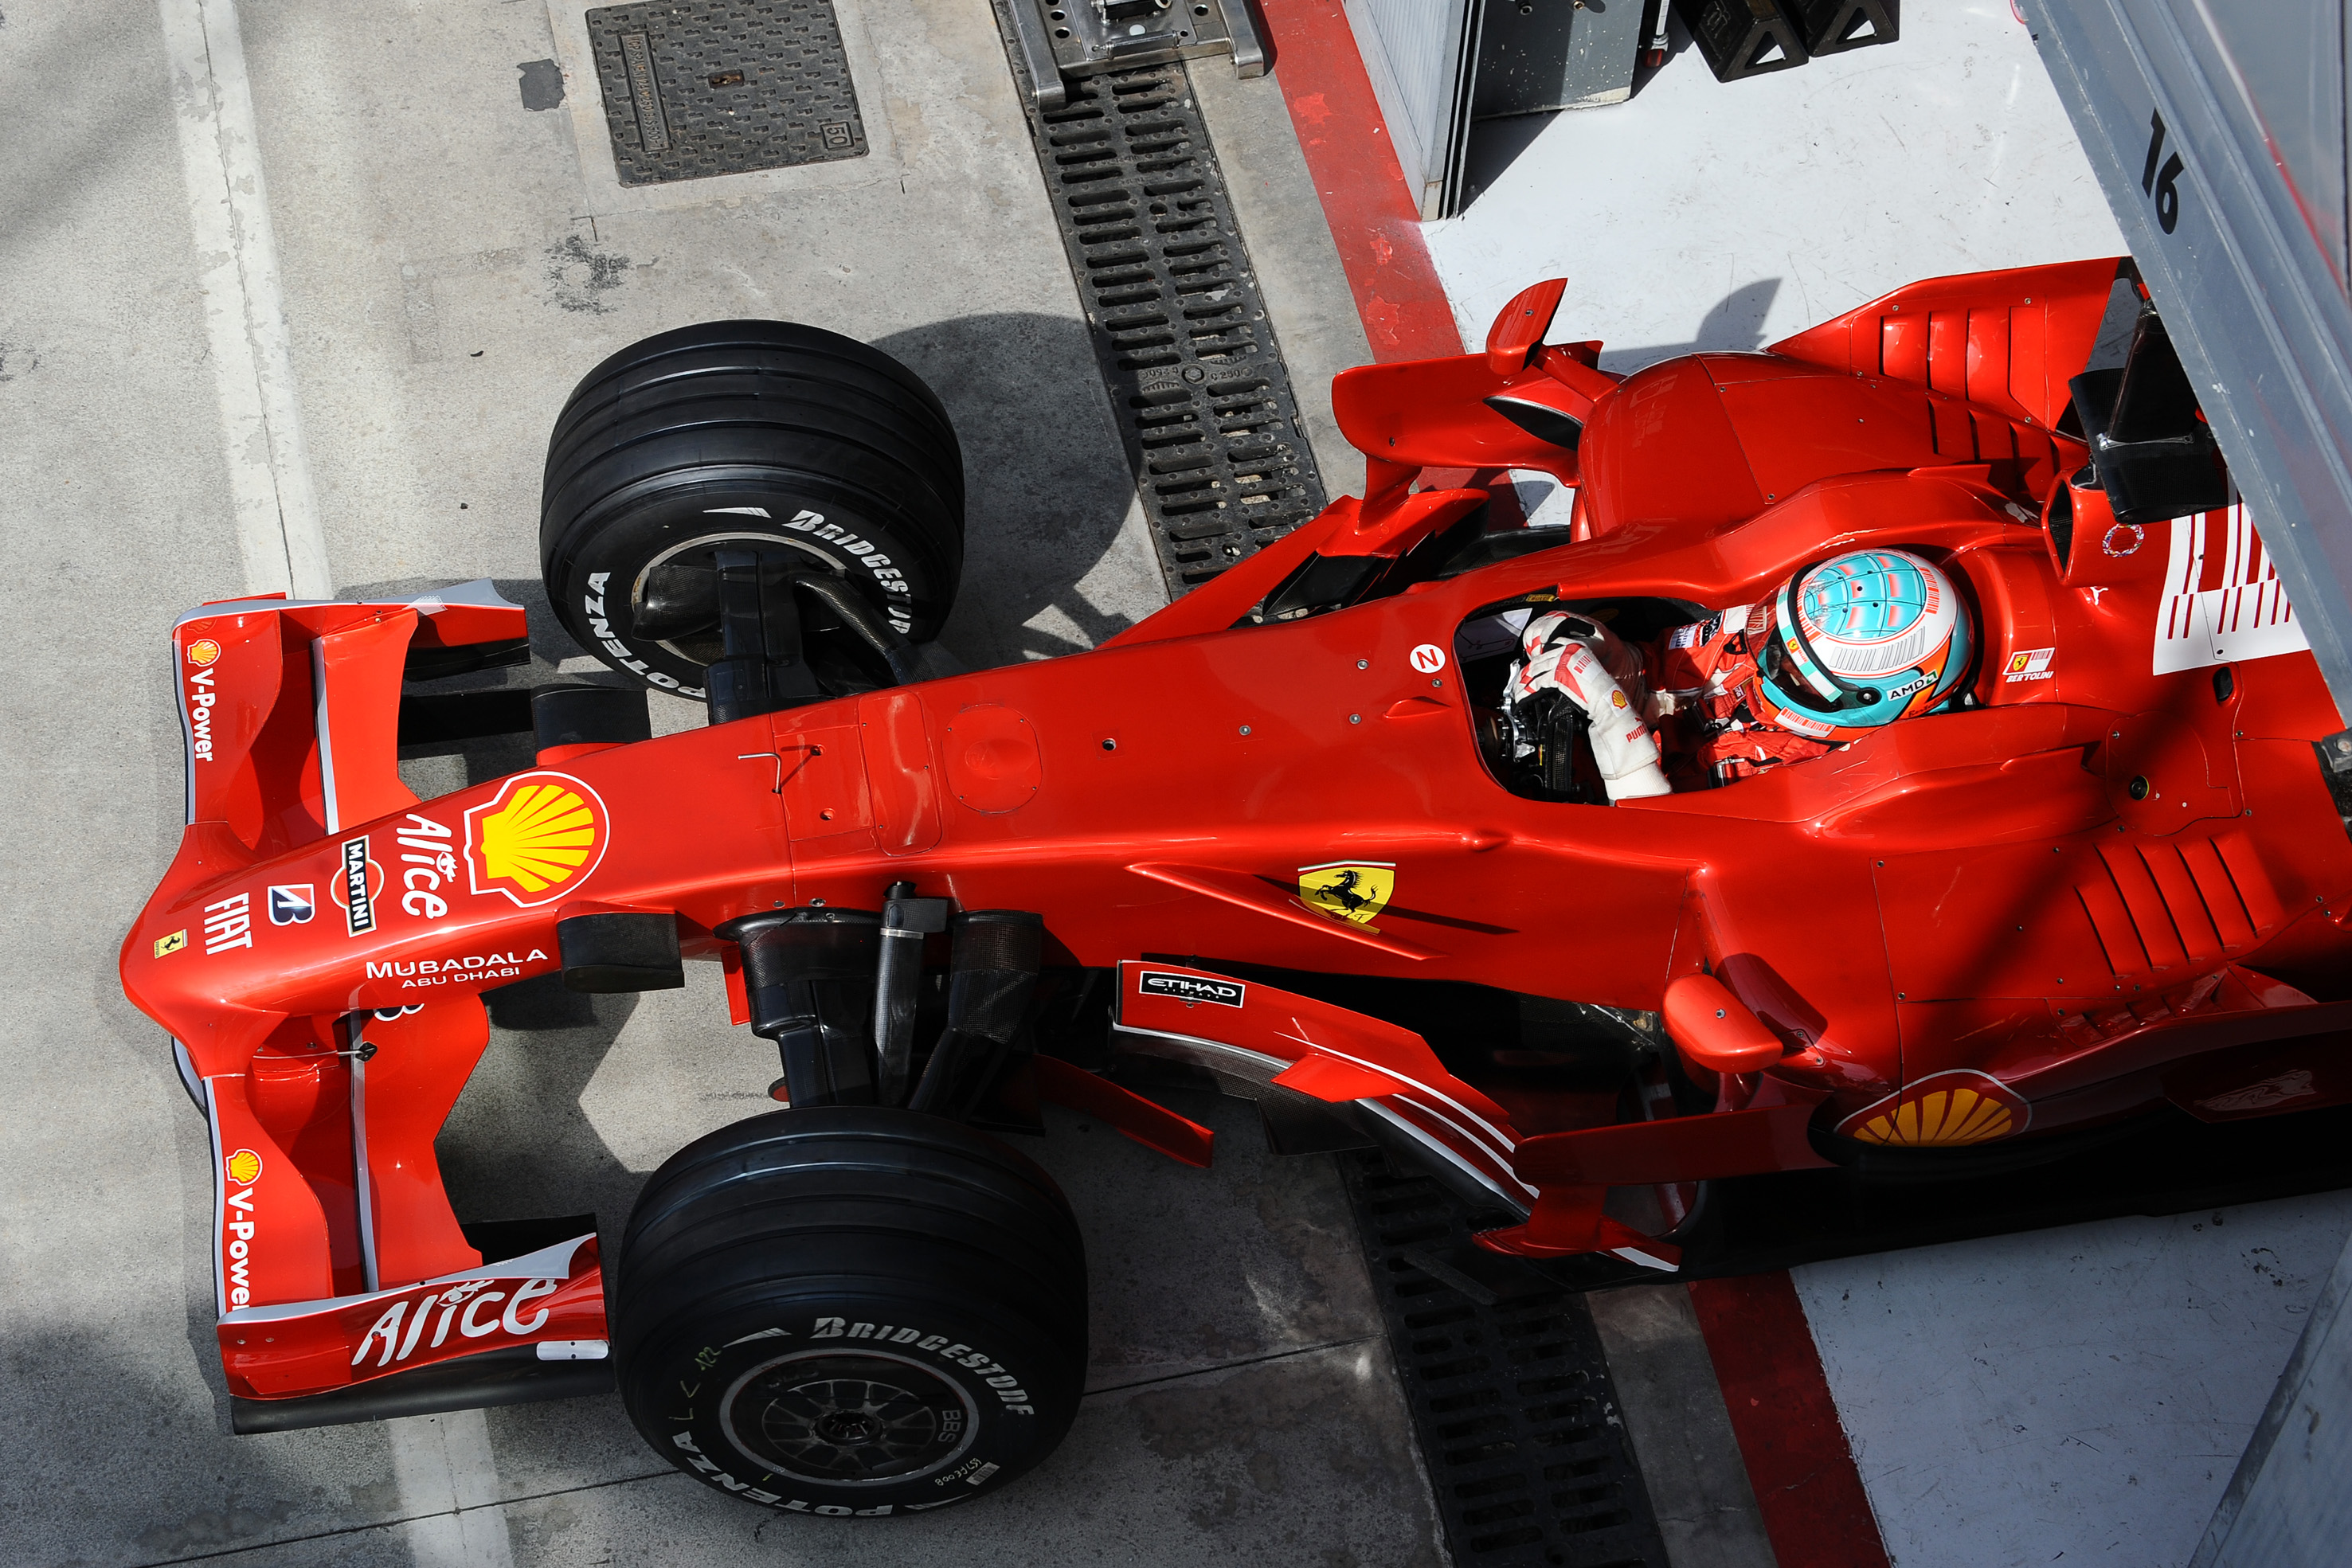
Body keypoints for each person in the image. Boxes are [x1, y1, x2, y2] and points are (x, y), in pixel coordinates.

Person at [1503, 549, 1975, 798]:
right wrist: (1593, 647)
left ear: (1878, 699)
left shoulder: (1845, 780)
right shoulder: (1765, 633)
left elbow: (1677, 856)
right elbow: (1655, 665)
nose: (1768, 662)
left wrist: (1620, 734)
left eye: (1794, 673)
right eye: (1771, 633)